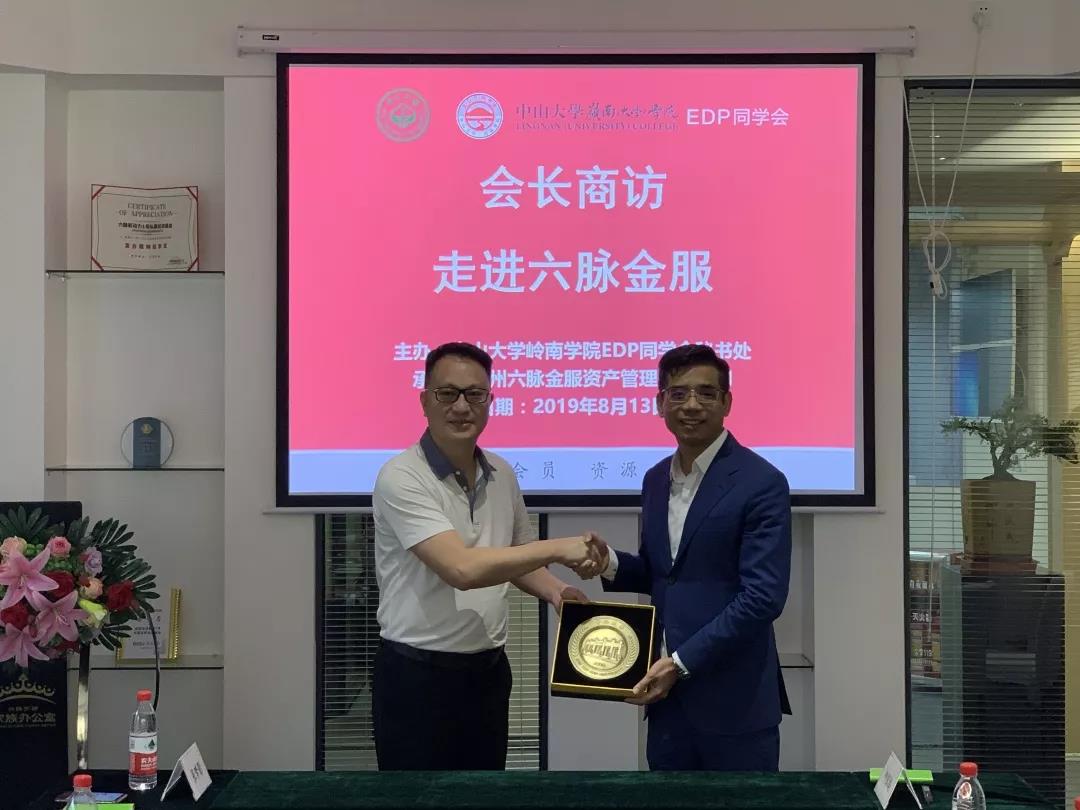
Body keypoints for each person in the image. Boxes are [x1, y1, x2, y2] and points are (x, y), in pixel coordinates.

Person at [372, 341, 603, 770]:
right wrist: (560, 547)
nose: (462, 406)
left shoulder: (502, 473)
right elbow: (461, 568)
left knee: (485, 793)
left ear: (490, 402)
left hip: (488, 672)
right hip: (416, 677)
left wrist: (557, 591)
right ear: (424, 401)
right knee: (414, 799)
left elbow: (517, 555)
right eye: (447, 393)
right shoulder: (401, 477)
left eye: (475, 394)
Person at [595, 343, 792, 771]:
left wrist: (681, 663)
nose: (691, 405)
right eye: (678, 393)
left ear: (727, 403)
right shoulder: (655, 480)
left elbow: (763, 598)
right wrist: (607, 562)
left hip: (735, 704)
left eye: (706, 393)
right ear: (660, 403)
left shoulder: (761, 482)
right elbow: (663, 574)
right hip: (667, 702)